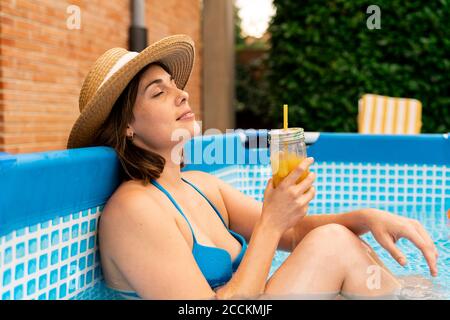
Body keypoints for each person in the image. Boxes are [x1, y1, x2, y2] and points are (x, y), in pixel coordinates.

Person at [67, 35, 438, 300]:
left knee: (352, 254)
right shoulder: (133, 210)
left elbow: (294, 235)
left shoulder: (201, 186)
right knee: (333, 245)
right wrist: (273, 220)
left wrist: (365, 218)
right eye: (158, 92)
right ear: (127, 127)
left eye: (175, 84)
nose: (181, 93)